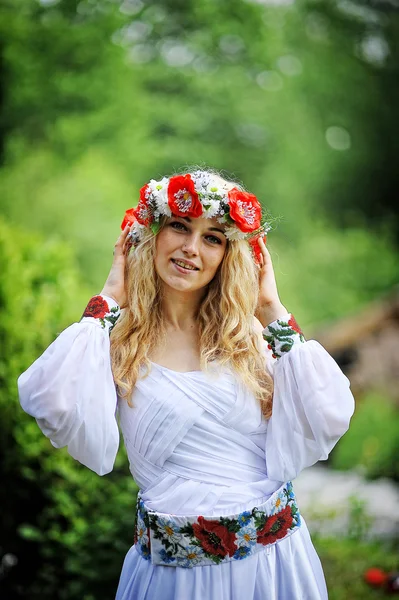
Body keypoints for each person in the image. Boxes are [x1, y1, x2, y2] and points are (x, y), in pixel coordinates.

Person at [18, 169, 355, 600]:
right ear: (150, 236)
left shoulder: (249, 336)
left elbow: (327, 415)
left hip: (270, 571)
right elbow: (51, 400)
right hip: (171, 579)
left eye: (213, 237)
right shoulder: (116, 341)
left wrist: (270, 308)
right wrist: (108, 299)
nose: (191, 248)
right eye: (179, 226)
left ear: (228, 255)